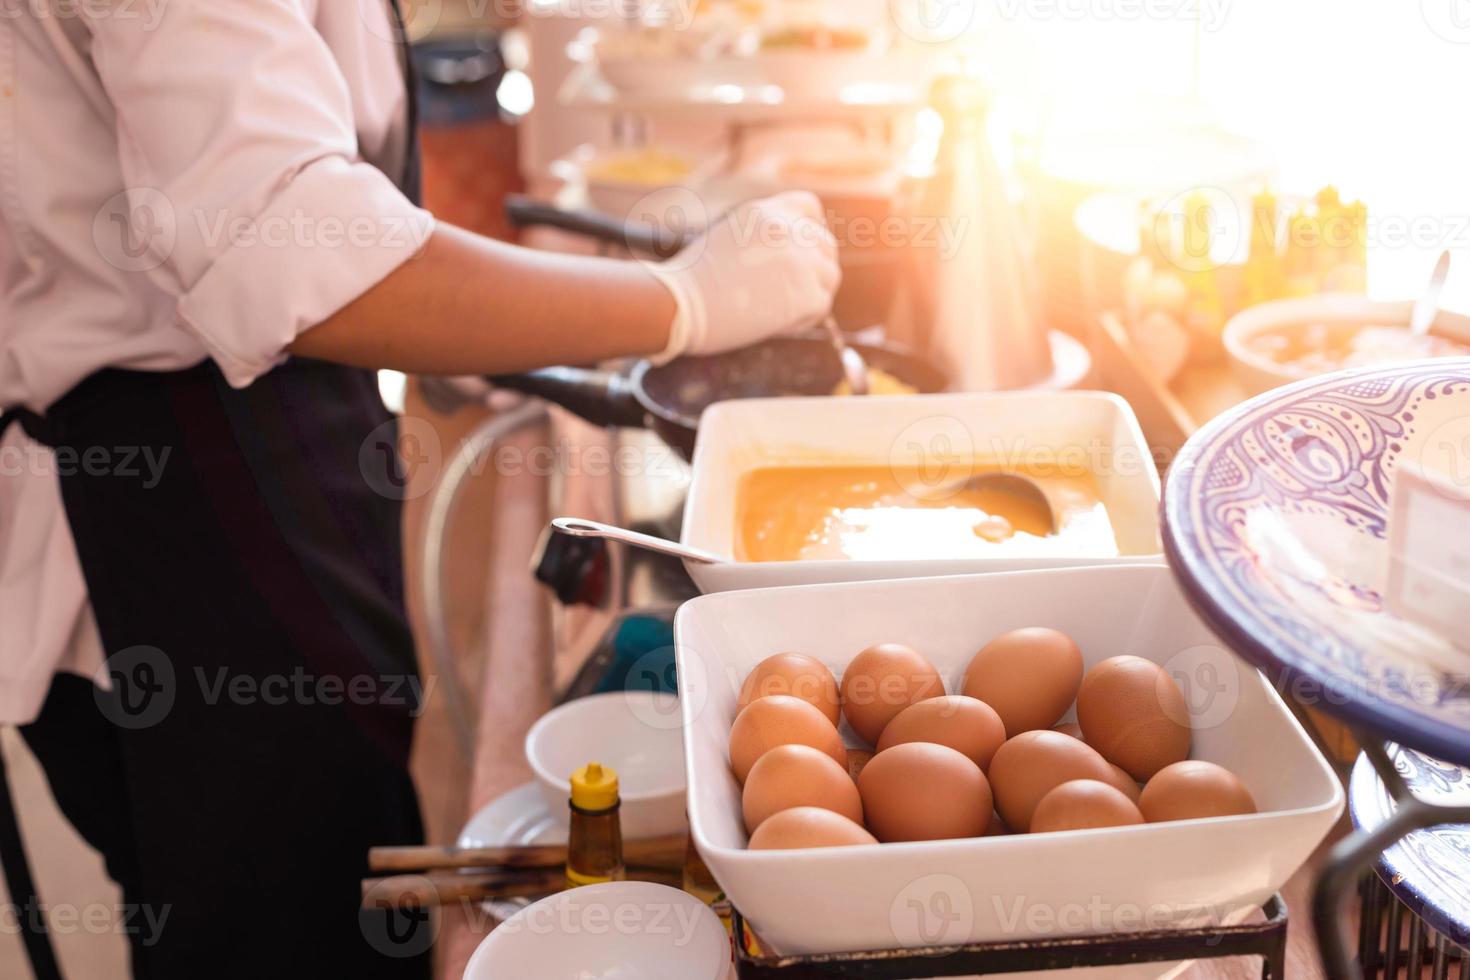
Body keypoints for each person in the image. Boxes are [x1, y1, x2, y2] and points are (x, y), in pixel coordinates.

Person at [0, 2, 839, 978]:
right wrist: (683, 302)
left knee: (341, 893)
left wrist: (473, 312)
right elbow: (288, 247)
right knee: (291, 938)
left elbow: (284, 155)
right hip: (170, 527)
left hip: (262, 452)